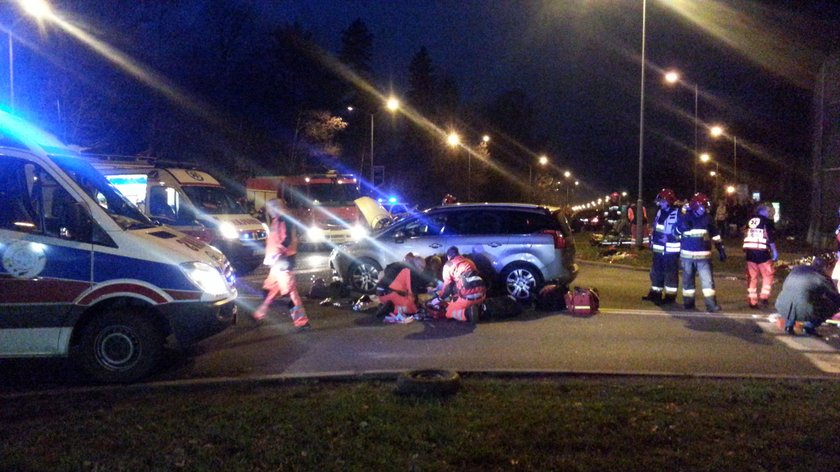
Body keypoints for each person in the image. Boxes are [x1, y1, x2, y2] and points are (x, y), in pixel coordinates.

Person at [253, 199, 311, 330]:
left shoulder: (283, 219)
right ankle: (258, 314)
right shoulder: (278, 219)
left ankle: (301, 321)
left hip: (282, 262)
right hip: (277, 263)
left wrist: (280, 255)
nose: (268, 210)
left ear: (276, 207)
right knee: (269, 290)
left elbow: (286, 240)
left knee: (289, 294)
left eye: (270, 207)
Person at [675, 193, 726, 312]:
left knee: (708, 282)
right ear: (695, 206)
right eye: (702, 206)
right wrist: (682, 228)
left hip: (703, 257)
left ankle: (711, 305)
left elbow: (716, 235)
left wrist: (721, 250)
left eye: (705, 207)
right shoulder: (685, 217)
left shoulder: (708, 218)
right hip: (687, 256)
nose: (704, 209)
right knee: (688, 282)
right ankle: (688, 304)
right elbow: (675, 233)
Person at [775, 256, 840, 335]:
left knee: (795, 297)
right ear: (825, 267)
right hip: (803, 309)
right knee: (830, 306)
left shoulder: (797, 269)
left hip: (782, 306)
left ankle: (789, 326)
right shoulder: (821, 277)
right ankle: (809, 327)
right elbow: (833, 295)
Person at [642, 189, 680, 305]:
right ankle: (655, 293)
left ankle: (670, 297)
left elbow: (680, 231)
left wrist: (669, 238)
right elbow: (656, 228)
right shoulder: (660, 212)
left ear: (669, 201)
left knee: (670, 273)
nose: (659, 203)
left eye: (662, 201)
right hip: (658, 248)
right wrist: (651, 240)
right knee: (656, 272)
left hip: (670, 250)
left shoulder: (677, 213)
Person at [374, 253, 431, 324]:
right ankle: (390, 309)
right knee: (411, 307)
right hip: (389, 294)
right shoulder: (412, 271)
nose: (422, 270)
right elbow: (413, 291)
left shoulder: (399, 264)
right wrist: (426, 290)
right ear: (417, 265)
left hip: (380, 292)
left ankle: (385, 304)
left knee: (409, 298)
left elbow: (382, 273)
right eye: (422, 267)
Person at [434, 246, 486, 323]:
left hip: (467, 296)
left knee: (449, 312)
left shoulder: (448, 265)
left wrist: (439, 298)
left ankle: (467, 313)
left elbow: (447, 287)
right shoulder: (469, 261)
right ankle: (481, 308)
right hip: (481, 294)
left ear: (449, 256)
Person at [742, 203, 778, 308]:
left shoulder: (750, 221)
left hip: (750, 253)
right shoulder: (767, 222)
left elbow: (745, 233)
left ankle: (752, 302)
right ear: (762, 211)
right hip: (762, 252)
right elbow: (769, 237)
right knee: (768, 274)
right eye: (767, 211)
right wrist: (774, 251)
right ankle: (764, 296)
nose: (768, 213)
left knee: (752, 277)